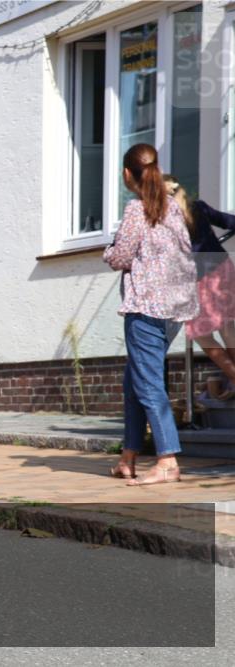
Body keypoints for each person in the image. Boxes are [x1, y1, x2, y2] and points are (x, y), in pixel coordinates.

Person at [103, 144, 198, 486]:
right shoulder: (173, 208)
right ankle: (128, 457)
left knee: (148, 384)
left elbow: (121, 256)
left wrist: (108, 251)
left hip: (145, 309)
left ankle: (167, 459)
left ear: (127, 174)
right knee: (135, 381)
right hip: (173, 309)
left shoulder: (135, 209)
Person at [163, 175, 235, 400]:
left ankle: (233, 377)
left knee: (204, 336)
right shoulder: (199, 207)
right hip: (221, 268)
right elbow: (230, 222)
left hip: (194, 280)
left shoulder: (165, 220)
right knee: (228, 328)